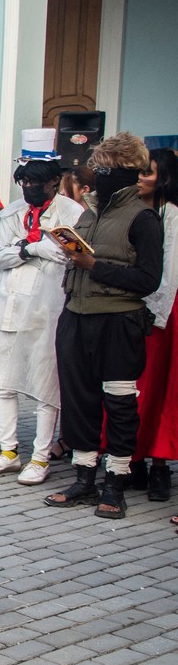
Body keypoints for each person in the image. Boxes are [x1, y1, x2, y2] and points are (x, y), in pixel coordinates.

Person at [44, 133, 164, 518]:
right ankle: (84, 479)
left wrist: (95, 266)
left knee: (120, 403)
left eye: (107, 169)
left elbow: (149, 280)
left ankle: (115, 483)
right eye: (98, 168)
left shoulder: (144, 218)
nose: (99, 175)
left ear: (127, 172)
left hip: (119, 321)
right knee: (79, 400)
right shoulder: (89, 213)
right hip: (76, 316)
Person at [0, 139, 86, 487]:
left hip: (48, 311)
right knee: (4, 383)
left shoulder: (72, 214)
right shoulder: (10, 214)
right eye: (24, 182)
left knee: (45, 387)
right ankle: (8, 451)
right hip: (7, 306)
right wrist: (32, 248)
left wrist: (24, 248)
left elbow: (70, 254)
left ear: (54, 181)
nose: (29, 188)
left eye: (36, 182)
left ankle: (41, 456)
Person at [133, 147, 178, 505]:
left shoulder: (172, 215)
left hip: (165, 312)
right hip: (132, 307)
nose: (140, 178)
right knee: (132, 388)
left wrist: (154, 311)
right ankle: (131, 458)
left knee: (161, 389)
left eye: (146, 172)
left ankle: (160, 463)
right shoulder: (131, 210)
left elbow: (170, 271)